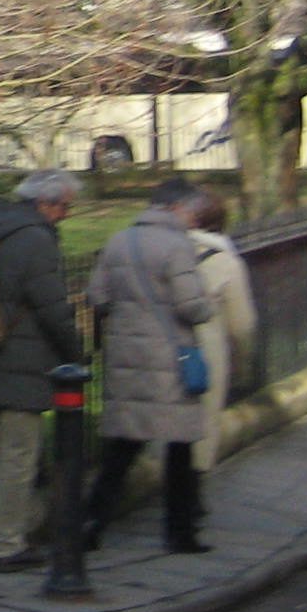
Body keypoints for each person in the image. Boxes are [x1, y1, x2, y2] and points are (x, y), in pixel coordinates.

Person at [84, 178, 221, 553]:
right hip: (168, 358)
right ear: (176, 208)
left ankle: (91, 522)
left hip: (126, 357)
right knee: (179, 447)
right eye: (193, 212)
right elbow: (192, 306)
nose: (195, 220)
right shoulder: (177, 246)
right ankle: (179, 532)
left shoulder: (118, 240)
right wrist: (207, 303)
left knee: (123, 447)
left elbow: (97, 295)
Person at [0, 168, 86, 570]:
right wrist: (77, 354)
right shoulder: (35, 240)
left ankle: (15, 530)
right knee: (18, 457)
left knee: (9, 453)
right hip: (22, 362)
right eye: (65, 206)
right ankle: (7, 544)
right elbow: (52, 308)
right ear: (45, 203)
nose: (67, 214)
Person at [185, 189, 259, 450]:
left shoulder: (164, 253)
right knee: (200, 440)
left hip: (161, 353)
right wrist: (243, 364)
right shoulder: (227, 262)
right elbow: (242, 325)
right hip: (205, 359)